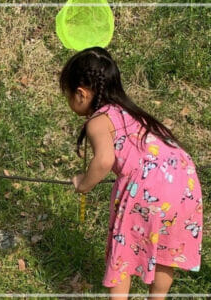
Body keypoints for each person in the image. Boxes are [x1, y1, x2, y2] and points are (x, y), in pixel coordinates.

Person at [59, 46, 203, 300]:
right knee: (165, 249)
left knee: (122, 252)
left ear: (81, 94)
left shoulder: (99, 121)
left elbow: (104, 160)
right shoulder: (133, 113)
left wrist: (84, 184)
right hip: (184, 179)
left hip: (147, 185)